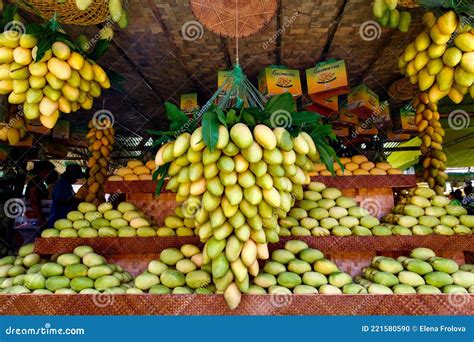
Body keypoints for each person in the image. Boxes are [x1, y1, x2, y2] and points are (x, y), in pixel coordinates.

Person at [24, 161, 56, 228]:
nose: (51, 174)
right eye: (50, 171)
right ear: (44, 171)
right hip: (33, 217)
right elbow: (33, 200)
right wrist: (40, 218)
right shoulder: (35, 182)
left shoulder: (40, 183)